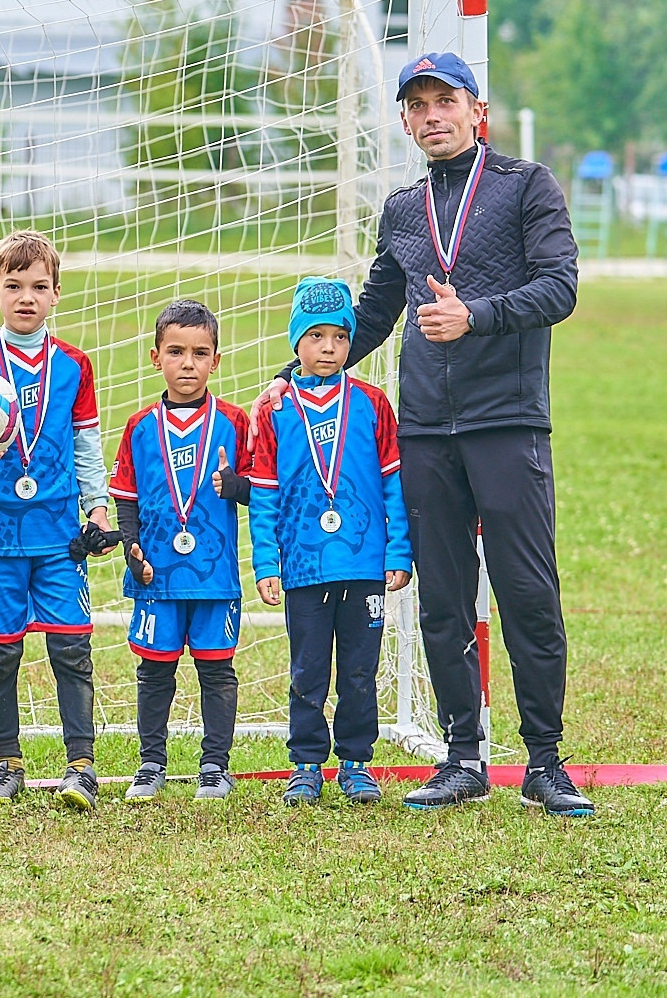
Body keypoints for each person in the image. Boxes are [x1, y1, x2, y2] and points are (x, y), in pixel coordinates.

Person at [258, 52, 593, 816]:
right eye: (418, 104)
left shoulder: (526, 186)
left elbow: (560, 286)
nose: (433, 114)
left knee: (527, 593)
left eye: (447, 100)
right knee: (442, 600)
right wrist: (291, 372)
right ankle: (463, 756)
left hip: (507, 422)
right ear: (406, 120)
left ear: (478, 110)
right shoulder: (404, 209)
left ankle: (544, 761)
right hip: (425, 434)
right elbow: (374, 313)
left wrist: (475, 313)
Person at [0, 230, 113, 811]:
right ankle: (7, 763)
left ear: (56, 294)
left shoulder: (74, 366)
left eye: (38, 287)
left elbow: (87, 444)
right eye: (13, 285)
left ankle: (81, 767)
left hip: (59, 533)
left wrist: (96, 507)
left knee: (71, 644)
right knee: (0, 651)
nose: (26, 297)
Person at [249, 278, 412, 806]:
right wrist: (267, 561)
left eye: (339, 337)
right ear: (295, 342)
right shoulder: (274, 410)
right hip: (303, 565)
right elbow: (266, 492)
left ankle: (357, 762)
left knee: (361, 669)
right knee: (308, 669)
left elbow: (393, 484)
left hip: (363, 562)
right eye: (315, 336)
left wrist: (398, 551)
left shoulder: (372, 403)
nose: (328, 348)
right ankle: (305, 763)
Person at [108, 299, 252, 803]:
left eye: (200, 353)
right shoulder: (139, 426)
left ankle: (215, 766)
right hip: (157, 576)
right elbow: (125, 497)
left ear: (216, 360)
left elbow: (261, 488)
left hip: (215, 577)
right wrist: (131, 548)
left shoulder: (235, 423)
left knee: (216, 669)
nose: (187, 364)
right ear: (155, 357)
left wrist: (235, 485)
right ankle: (151, 764)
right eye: (176, 352)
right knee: (155, 671)